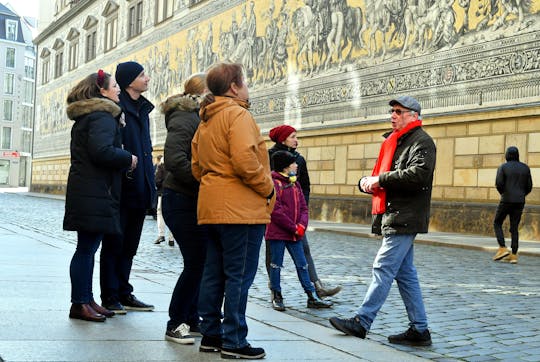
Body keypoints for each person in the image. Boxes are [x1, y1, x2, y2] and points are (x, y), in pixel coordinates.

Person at [329, 95, 436, 347]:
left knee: (383, 267)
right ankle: (419, 330)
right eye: (392, 111)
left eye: (399, 111)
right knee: (405, 274)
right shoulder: (395, 142)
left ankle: (362, 321)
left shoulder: (422, 142)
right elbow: (385, 176)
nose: (393, 115)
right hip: (395, 213)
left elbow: (418, 175)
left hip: (405, 217)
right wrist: (368, 182)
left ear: (414, 116)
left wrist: (380, 180)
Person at [191, 62, 275, 360]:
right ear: (234, 87)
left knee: (213, 273)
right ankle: (235, 340)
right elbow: (244, 161)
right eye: (245, 81)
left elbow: (197, 167)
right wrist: (268, 188)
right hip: (241, 209)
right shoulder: (238, 114)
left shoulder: (206, 119)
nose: (247, 87)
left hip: (212, 206)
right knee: (238, 276)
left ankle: (211, 334)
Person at [63, 70, 137, 322]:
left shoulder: (91, 116)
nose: (118, 89)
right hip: (95, 192)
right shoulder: (102, 116)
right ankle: (80, 302)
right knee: (86, 249)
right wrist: (128, 158)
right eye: (114, 86)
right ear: (102, 91)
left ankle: (86, 298)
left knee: (88, 248)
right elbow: (101, 151)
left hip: (89, 190)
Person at [100, 61, 156, 314]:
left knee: (130, 245)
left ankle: (124, 291)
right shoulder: (116, 109)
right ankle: (110, 296)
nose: (147, 78)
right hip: (121, 188)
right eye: (142, 75)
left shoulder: (143, 109)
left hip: (140, 189)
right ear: (129, 80)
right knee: (114, 244)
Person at [160, 73, 209, 345]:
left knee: (200, 263)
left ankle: (191, 319)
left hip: (191, 199)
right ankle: (176, 323)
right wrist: (206, 181)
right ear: (202, 92)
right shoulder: (184, 117)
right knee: (194, 264)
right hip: (181, 199)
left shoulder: (197, 117)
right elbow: (175, 160)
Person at [267, 125, 342, 298]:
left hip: (295, 218)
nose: (296, 140)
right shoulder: (269, 157)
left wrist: (302, 212)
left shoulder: (299, 159)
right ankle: (275, 292)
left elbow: (305, 186)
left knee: (304, 250)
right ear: (283, 139)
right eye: (293, 136)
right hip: (276, 218)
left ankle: (316, 287)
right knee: (273, 256)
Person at [266, 150, 332, 311]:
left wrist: (301, 226)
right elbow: (276, 210)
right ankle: (277, 295)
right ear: (286, 167)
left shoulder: (295, 183)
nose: (296, 165)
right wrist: (293, 227)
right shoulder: (274, 183)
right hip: (278, 233)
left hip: (295, 233)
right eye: (293, 163)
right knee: (276, 264)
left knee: (302, 264)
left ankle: (311, 296)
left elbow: (303, 207)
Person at [492, 146, 532, 264]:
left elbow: (499, 183)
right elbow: (529, 186)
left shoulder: (503, 167)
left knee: (497, 222)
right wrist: (521, 195)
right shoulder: (525, 168)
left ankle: (502, 248)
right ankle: (514, 255)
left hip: (506, 199)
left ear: (507, 155)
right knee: (514, 227)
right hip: (520, 201)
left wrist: (504, 194)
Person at [154, 154, 174, 246]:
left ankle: (161, 234)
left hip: (162, 193)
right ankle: (171, 238)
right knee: (172, 214)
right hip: (174, 193)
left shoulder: (161, 166)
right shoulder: (175, 166)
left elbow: (157, 181)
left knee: (160, 213)